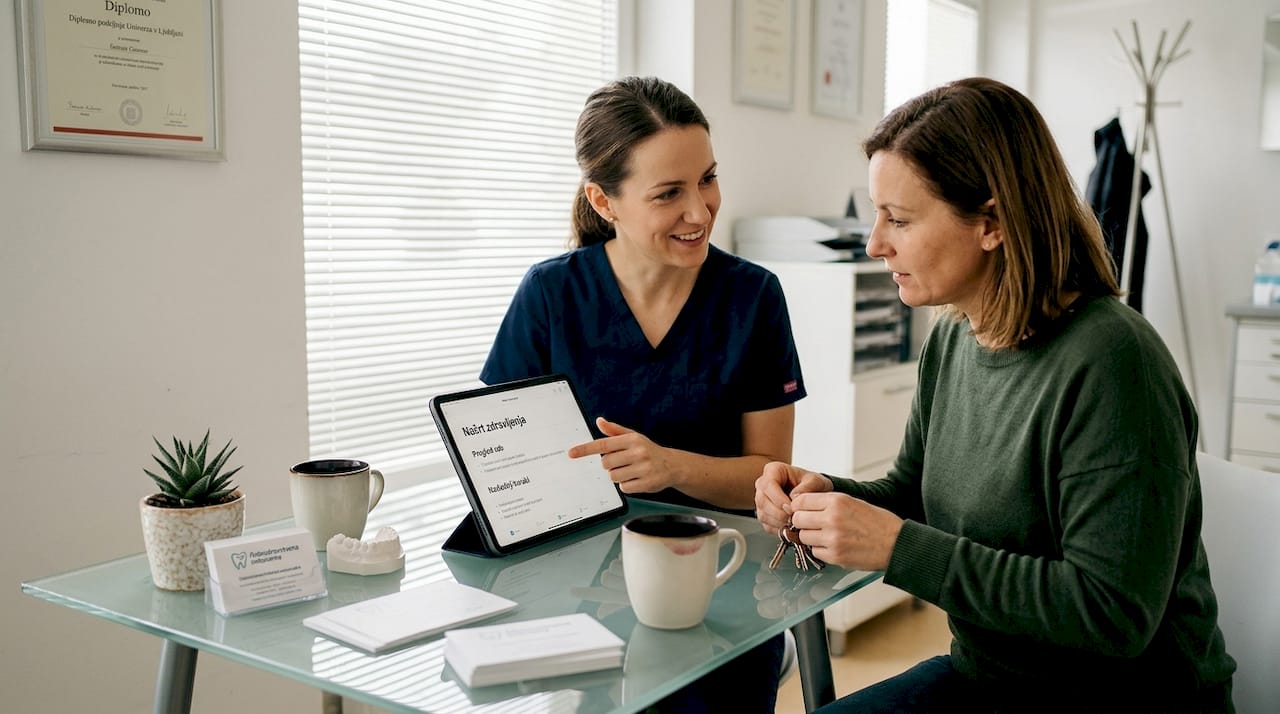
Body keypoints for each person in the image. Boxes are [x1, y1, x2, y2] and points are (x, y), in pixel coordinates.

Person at [755, 77, 1237, 713]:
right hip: (990, 680)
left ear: (992, 222)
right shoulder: (955, 339)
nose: (875, 244)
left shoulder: (1116, 366)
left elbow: (1113, 614)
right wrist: (828, 499)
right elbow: (913, 496)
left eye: (898, 219)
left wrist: (896, 548)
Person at [481, 76, 806, 713]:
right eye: (669, 194)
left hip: (722, 587)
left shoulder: (752, 298)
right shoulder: (550, 296)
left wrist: (671, 466)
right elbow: (505, 469)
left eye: (707, 179)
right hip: (582, 593)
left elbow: (770, 481)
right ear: (605, 202)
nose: (701, 210)